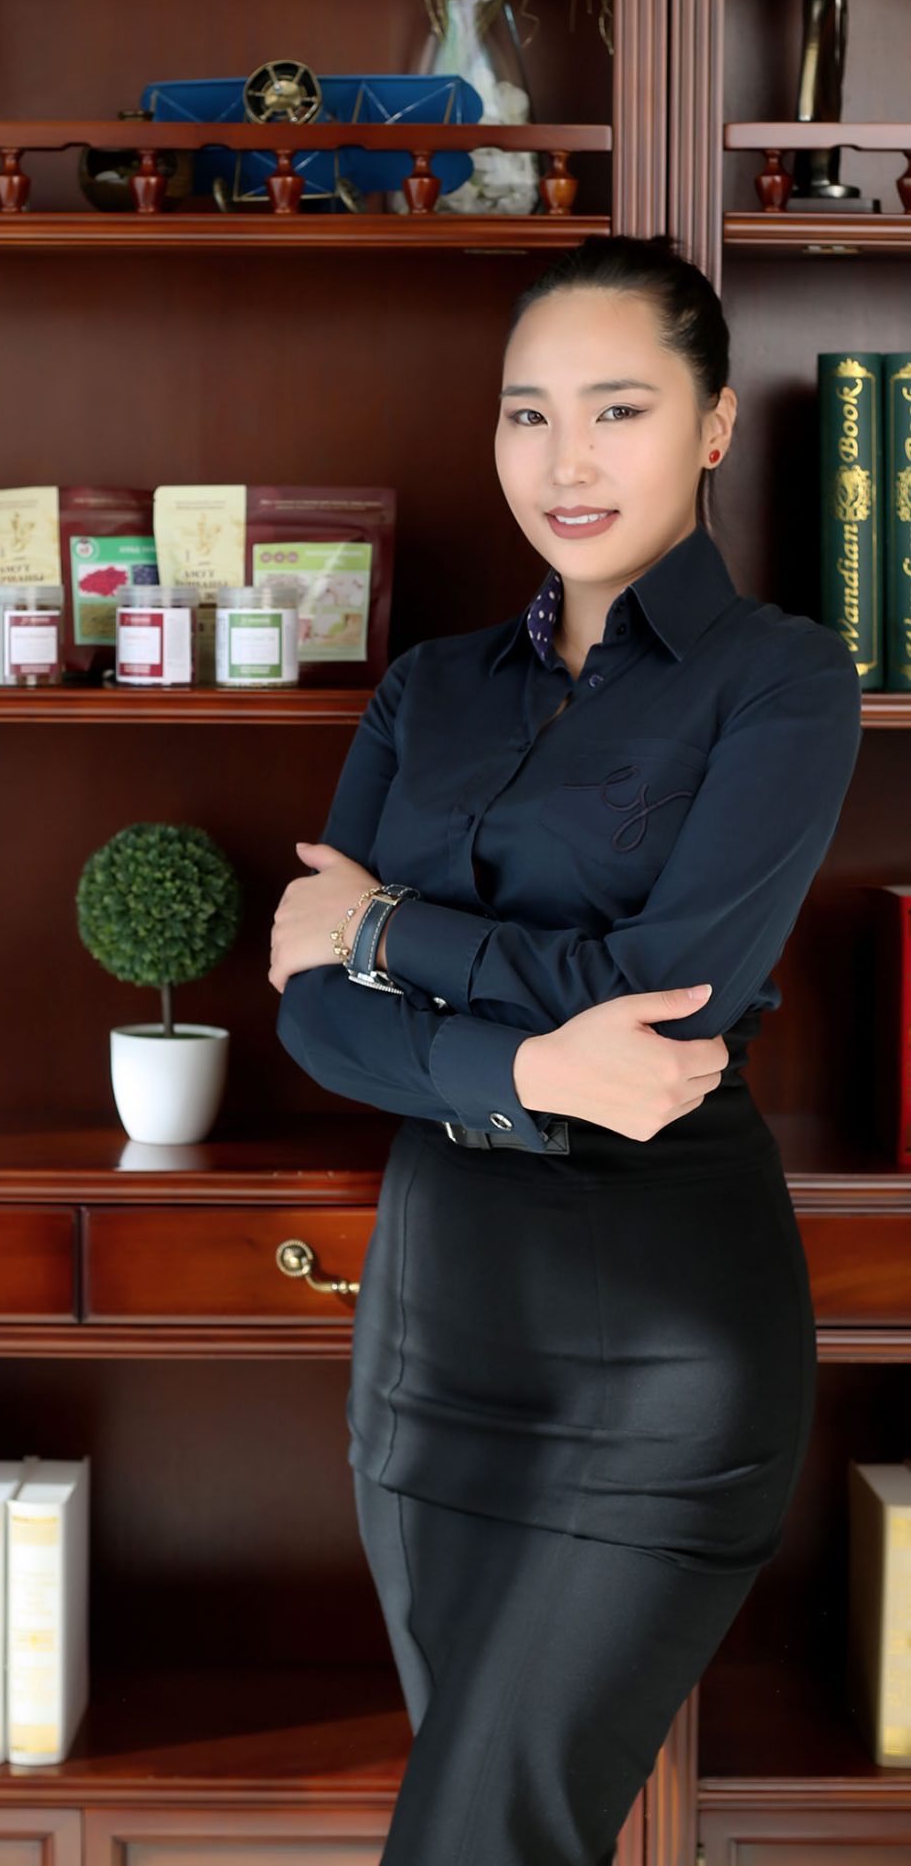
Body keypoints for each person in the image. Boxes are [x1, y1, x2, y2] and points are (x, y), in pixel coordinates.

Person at [270, 232, 862, 1866]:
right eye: (529, 415)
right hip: (437, 1344)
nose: (569, 460)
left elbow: (659, 992)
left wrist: (392, 933)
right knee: (499, 1822)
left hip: (665, 1349)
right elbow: (312, 1017)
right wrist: (532, 1065)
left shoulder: (787, 681)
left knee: (484, 1836)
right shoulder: (427, 691)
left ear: (717, 425)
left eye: (620, 408)